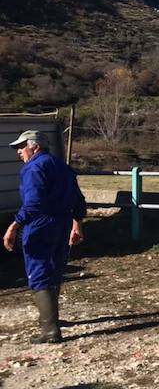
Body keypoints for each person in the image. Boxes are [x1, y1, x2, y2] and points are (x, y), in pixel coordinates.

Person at [2, 130, 86, 343]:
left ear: (35, 146)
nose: (18, 152)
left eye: (21, 147)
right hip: (63, 223)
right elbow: (78, 198)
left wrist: (14, 226)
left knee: (38, 272)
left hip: (40, 224)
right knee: (55, 270)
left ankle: (49, 329)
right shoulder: (63, 167)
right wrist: (77, 224)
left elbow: (33, 204)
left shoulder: (33, 168)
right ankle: (52, 319)